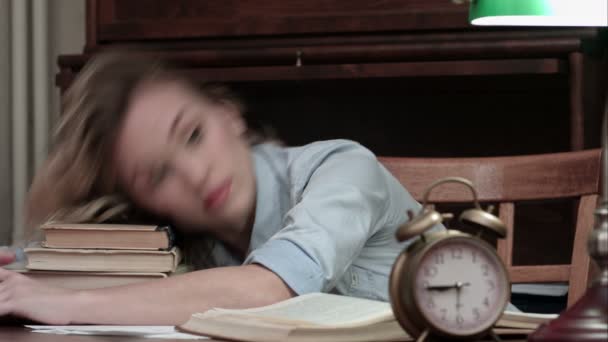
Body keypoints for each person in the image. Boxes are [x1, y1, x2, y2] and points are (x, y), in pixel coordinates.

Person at [0, 51, 427, 325]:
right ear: (143, 202)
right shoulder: (185, 244)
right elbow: (79, 259)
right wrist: (22, 267)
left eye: (192, 135)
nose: (194, 174)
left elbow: (271, 289)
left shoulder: (342, 168)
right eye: (158, 176)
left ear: (227, 115)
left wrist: (68, 305)